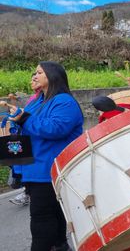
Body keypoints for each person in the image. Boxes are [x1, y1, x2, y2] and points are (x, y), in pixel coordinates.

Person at [8, 61, 83, 251]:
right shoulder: (37, 101)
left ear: (52, 76)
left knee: (42, 217)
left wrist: (23, 119)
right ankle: (60, 246)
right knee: (54, 214)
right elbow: (27, 124)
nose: (35, 75)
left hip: (49, 169)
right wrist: (14, 121)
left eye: (39, 72)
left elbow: (55, 128)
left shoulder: (64, 101)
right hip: (35, 167)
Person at [9, 73, 42, 206]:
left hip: (32, 141)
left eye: (36, 78)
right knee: (16, 161)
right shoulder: (34, 98)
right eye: (32, 79)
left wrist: (21, 118)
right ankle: (26, 191)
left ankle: (26, 192)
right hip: (24, 138)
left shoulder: (44, 99)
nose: (31, 82)